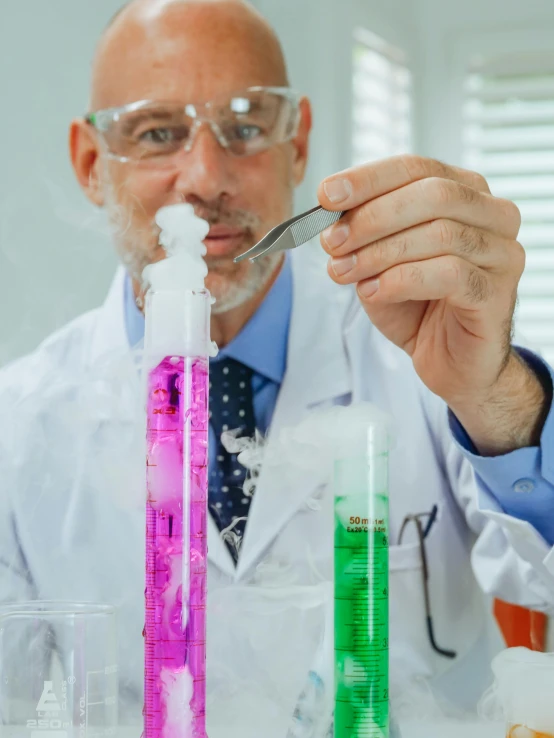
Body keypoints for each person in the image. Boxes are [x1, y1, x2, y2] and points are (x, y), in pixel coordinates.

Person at [1, 0, 553, 729]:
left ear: (298, 145)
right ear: (90, 163)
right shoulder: (20, 425)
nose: (205, 176)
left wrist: (494, 397)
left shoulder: (413, 348)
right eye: (157, 132)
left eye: (246, 125)